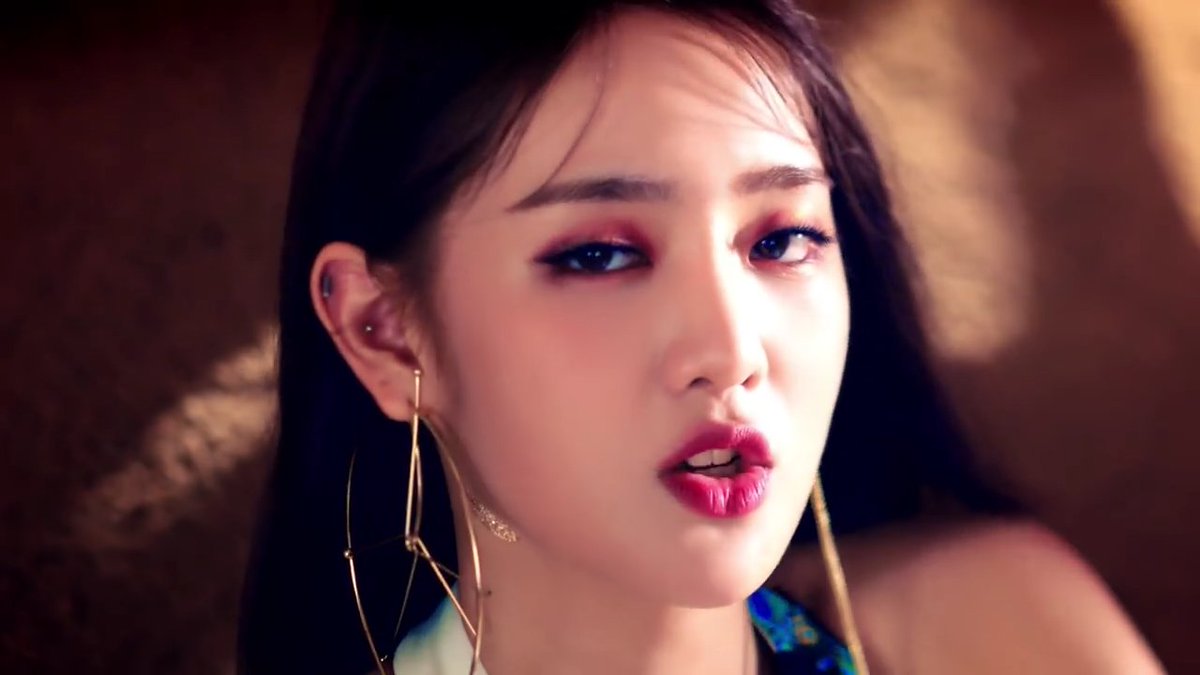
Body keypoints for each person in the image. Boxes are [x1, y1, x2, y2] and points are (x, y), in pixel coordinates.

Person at [237, 1, 1165, 673]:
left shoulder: (992, 628)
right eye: (600, 254)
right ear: (386, 334)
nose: (731, 351)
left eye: (782, 239)